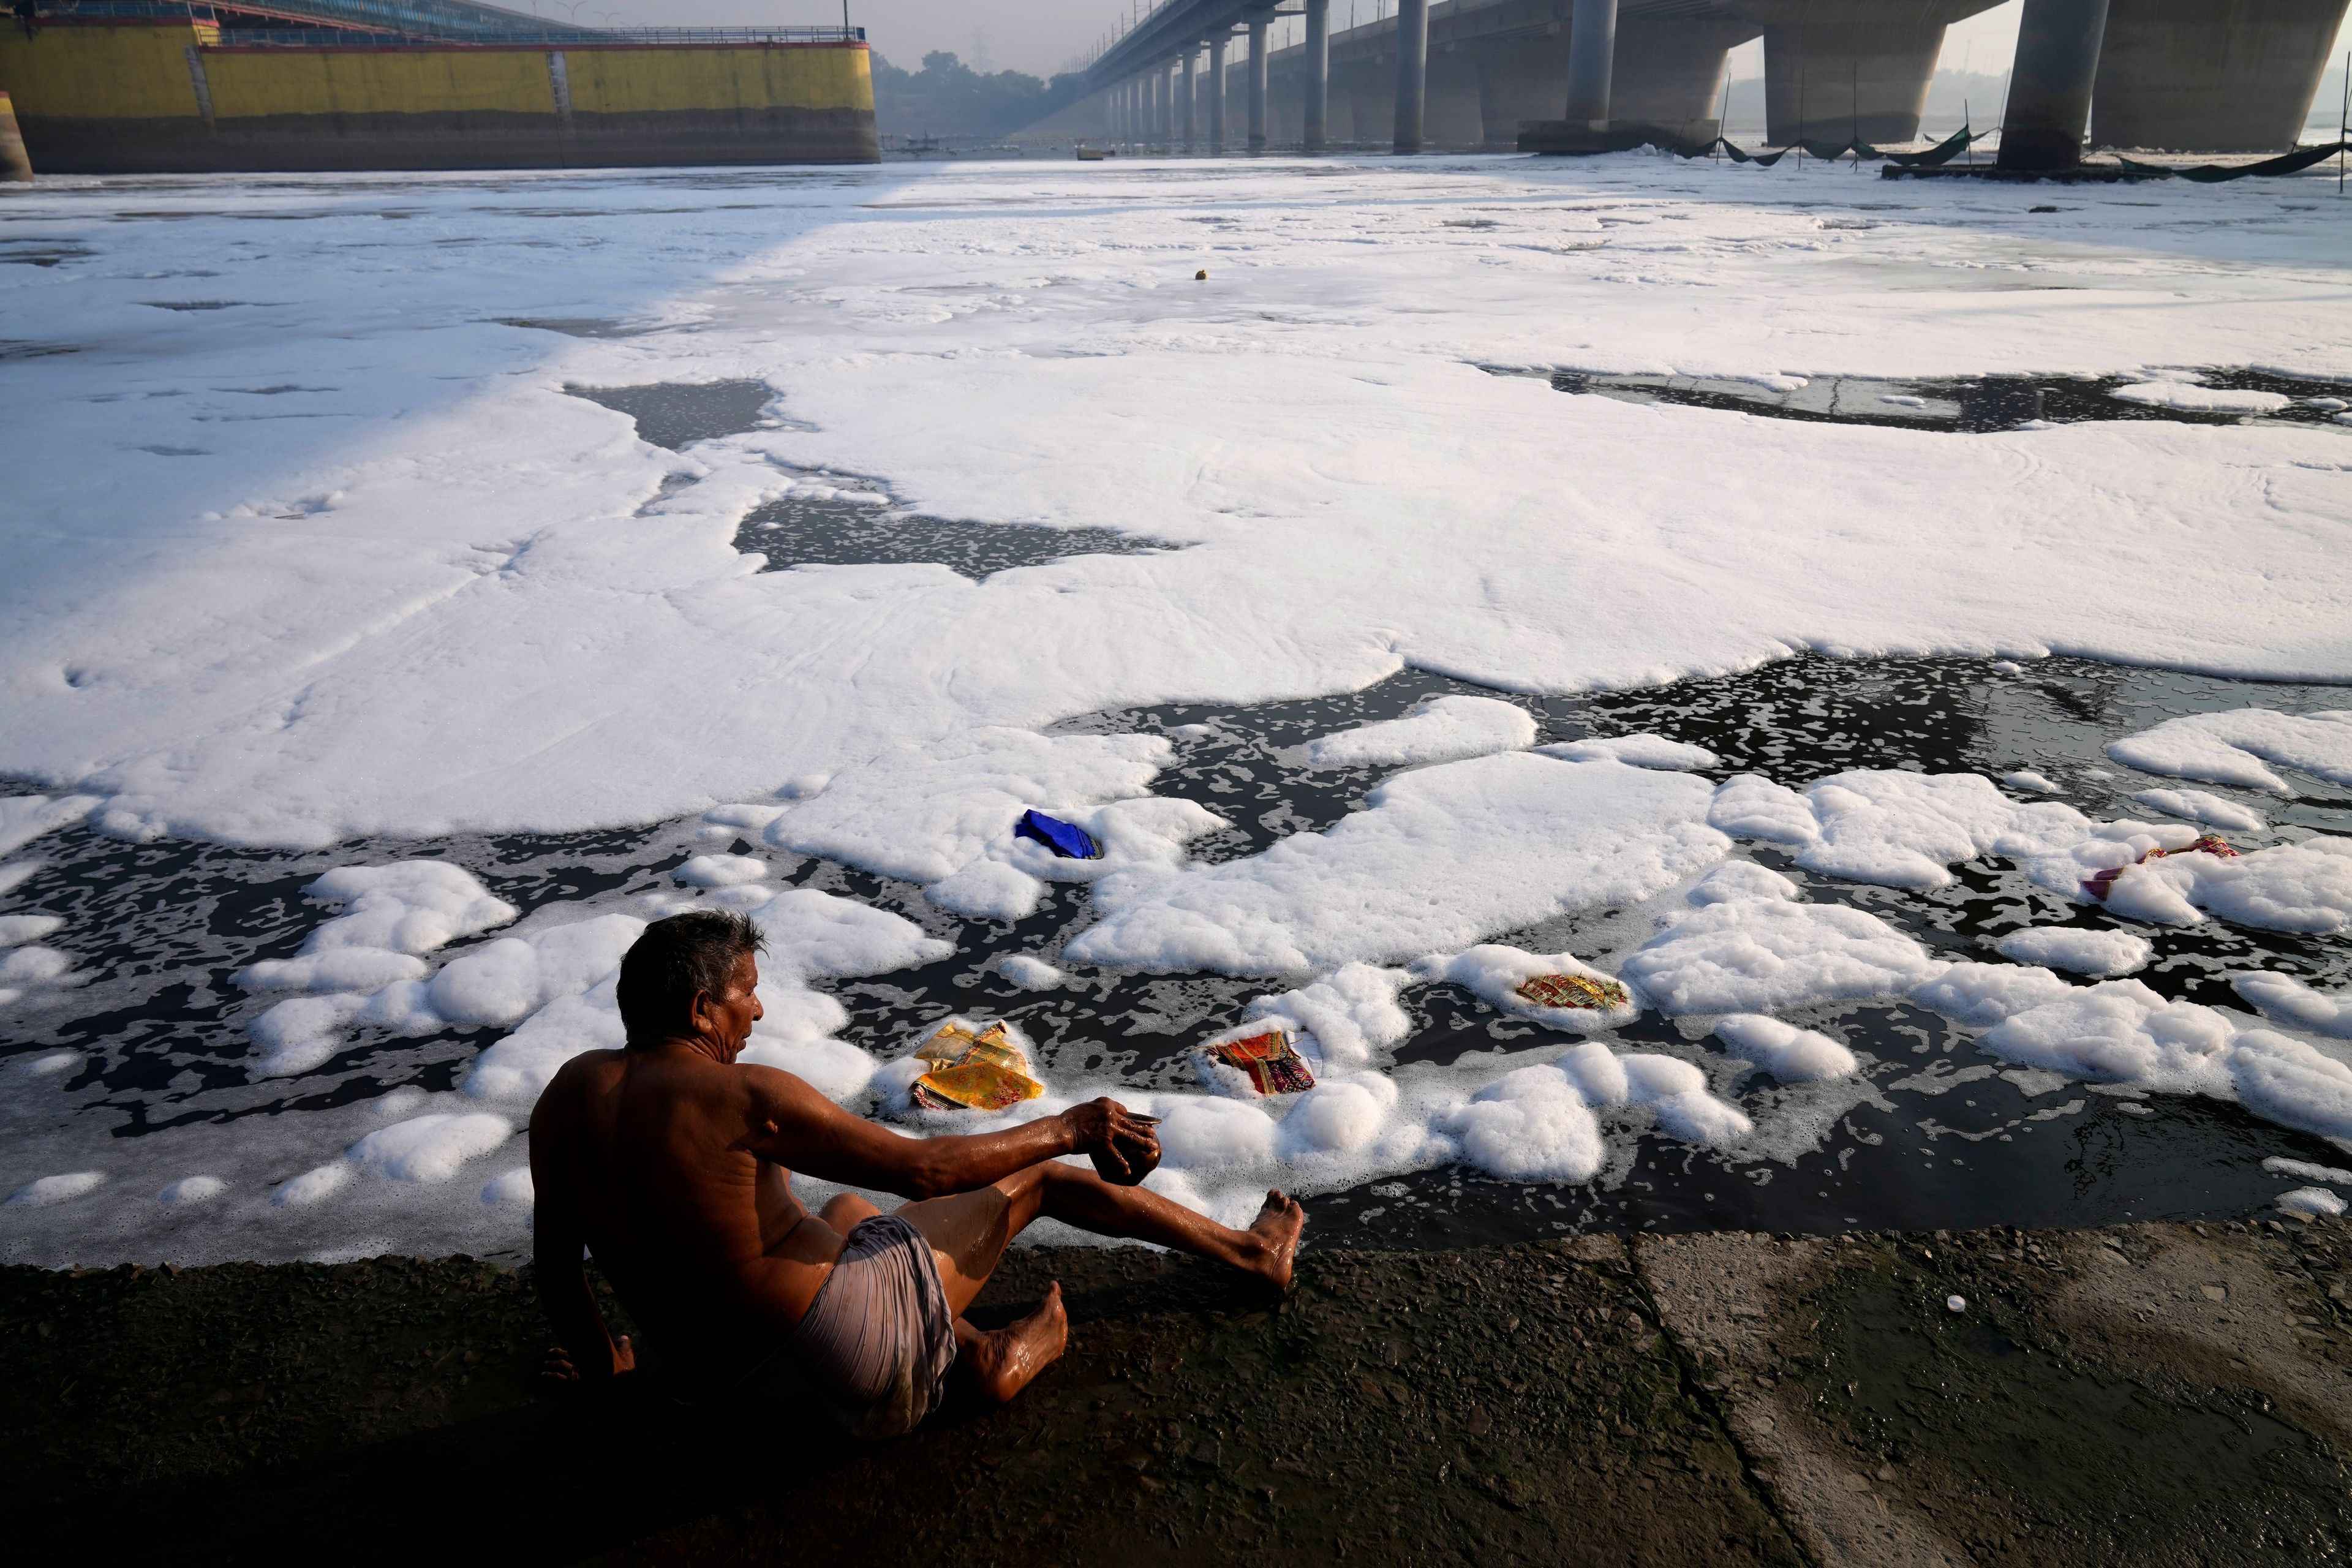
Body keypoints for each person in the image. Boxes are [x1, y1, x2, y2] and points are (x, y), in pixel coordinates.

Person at [530, 910, 1305, 1439]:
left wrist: (607, 1370)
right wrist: (1070, 1127)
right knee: (1034, 1183)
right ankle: (1248, 1256)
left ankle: (965, 1348)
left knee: (842, 1215)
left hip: (719, 1405)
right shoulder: (740, 1094)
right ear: (703, 1009)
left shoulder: (565, 1096)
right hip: (844, 1379)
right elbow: (926, 1169)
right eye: (747, 995)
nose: (757, 1014)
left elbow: (557, 1269)